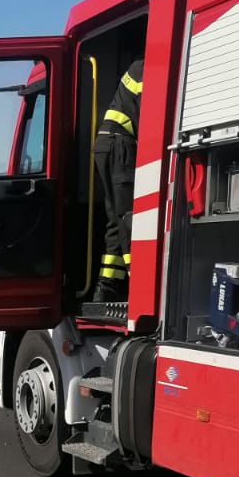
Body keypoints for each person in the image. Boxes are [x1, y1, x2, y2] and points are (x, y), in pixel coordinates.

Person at [92, 58, 143, 303]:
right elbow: (151, 112)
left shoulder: (135, 68)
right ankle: (138, 280)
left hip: (108, 144)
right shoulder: (146, 67)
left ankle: (107, 285)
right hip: (120, 145)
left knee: (115, 218)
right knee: (128, 216)